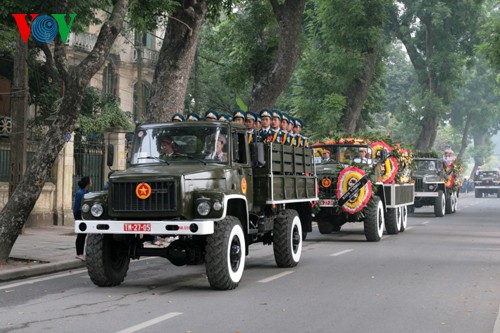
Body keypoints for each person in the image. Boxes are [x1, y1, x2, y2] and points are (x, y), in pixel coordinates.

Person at [74, 176, 92, 261]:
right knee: (81, 235)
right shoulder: (80, 193)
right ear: (87, 183)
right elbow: (76, 207)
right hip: (79, 214)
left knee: (84, 234)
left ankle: (81, 253)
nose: (92, 181)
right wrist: (76, 217)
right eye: (90, 180)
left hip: (85, 215)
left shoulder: (87, 192)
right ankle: (79, 253)